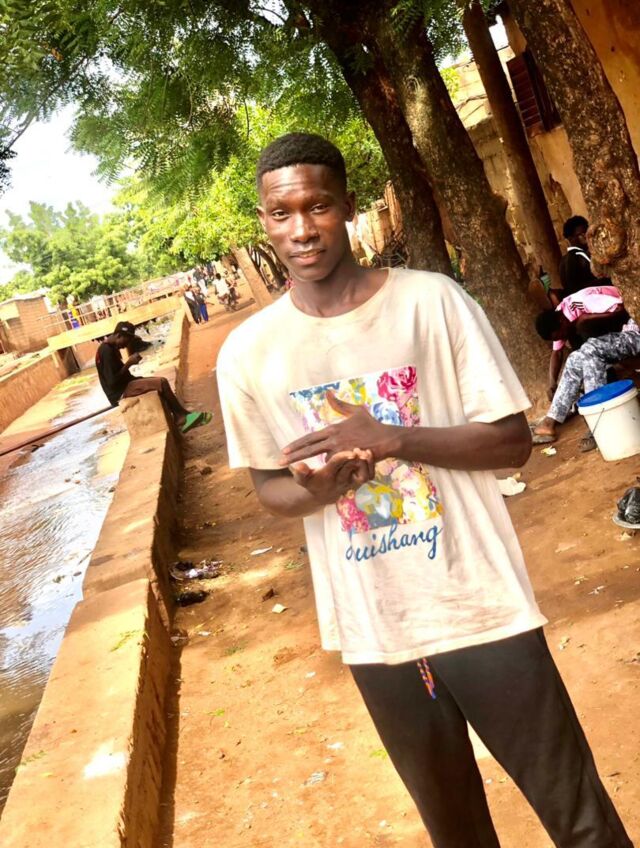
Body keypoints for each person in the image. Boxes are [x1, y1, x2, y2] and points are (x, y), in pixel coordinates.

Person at [216, 133, 632, 847]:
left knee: (581, 819)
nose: (302, 229)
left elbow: (511, 442)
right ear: (265, 221)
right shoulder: (248, 355)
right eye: (282, 213)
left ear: (347, 206)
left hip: (480, 606)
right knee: (456, 833)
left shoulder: (430, 302)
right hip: (376, 630)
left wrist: (395, 438)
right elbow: (270, 488)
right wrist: (320, 490)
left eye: (318, 206)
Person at [533, 286, 640, 446]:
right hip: (619, 337)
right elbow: (557, 353)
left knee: (590, 349)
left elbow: (619, 307)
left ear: (561, 322)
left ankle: (598, 421)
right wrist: (552, 382)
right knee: (574, 358)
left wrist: (585, 319)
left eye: (559, 335)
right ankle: (550, 420)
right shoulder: (560, 316)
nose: (561, 339)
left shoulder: (581, 302)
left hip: (633, 330)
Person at [96, 320, 211, 432]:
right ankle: (181, 417)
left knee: (156, 382)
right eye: (127, 341)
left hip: (124, 386)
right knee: (161, 382)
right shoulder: (106, 351)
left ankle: (181, 415)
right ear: (119, 335)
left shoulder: (109, 348)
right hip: (120, 392)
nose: (126, 345)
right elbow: (112, 382)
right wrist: (129, 363)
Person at [553, 215, 611, 301]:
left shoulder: (566, 259)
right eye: (581, 234)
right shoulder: (576, 257)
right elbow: (575, 289)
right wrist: (606, 280)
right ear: (570, 239)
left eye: (587, 232)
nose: (586, 237)